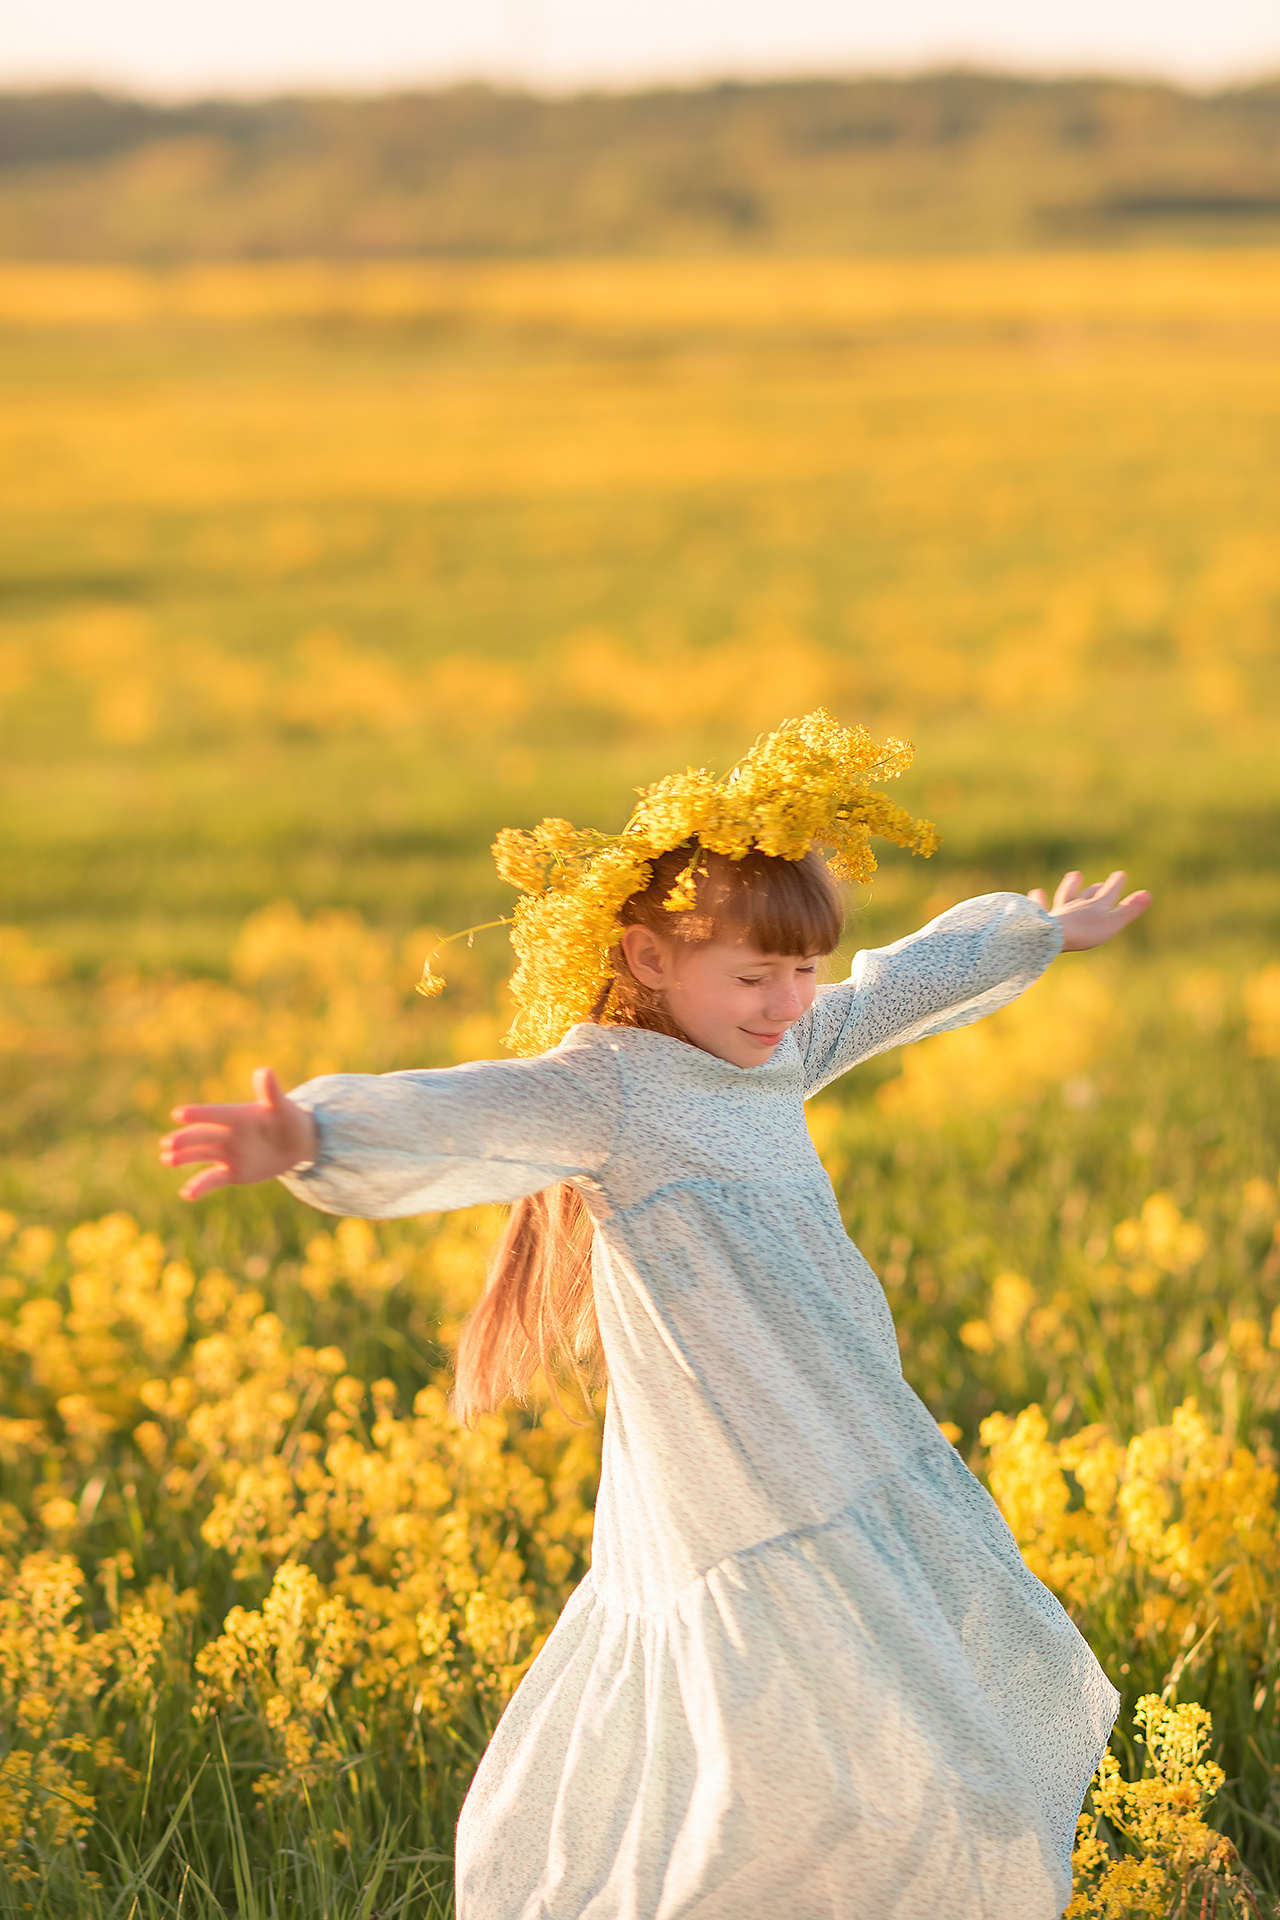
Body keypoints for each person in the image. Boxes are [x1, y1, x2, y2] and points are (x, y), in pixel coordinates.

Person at [161, 712, 1149, 1920]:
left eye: (801, 971)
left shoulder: (775, 1049)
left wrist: (1037, 928)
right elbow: (474, 1109)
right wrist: (315, 1131)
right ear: (643, 961)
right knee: (755, 1744)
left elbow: (898, 984)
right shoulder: (612, 1088)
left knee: (905, 1723)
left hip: (845, 1433)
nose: (788, 1003)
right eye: (753, 976)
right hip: (730, 1476)